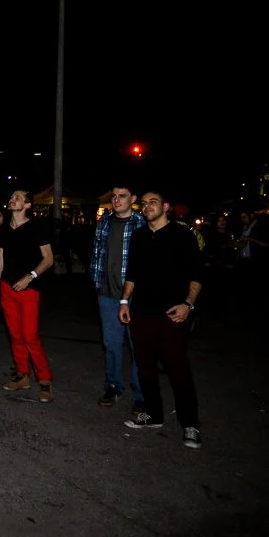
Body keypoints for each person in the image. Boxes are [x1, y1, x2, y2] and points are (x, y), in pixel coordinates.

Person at [119, 189, 205, 449]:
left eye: (153, 202)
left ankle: (190, 424)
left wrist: (188, 305)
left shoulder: (183, 235)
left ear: (166, 206)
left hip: (172, 314)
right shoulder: (139, 236)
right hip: (142, 312)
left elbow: (197, 274)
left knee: (178, 369)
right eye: (144, 203)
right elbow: (132, 273)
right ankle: (153, 415)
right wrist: (124, 302)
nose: (147, 206)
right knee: (145, 368)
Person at [0, 189, 56, 403]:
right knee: (15, 335)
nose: (12, 199)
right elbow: (0, 259)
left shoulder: (37, 227)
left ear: (27, 205)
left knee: (29, 336)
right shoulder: (4, 229)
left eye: (18, 197)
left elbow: (48, 259)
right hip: (7, 288)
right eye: (11, 196)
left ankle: (45, 380)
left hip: (29, 289)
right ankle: (22, 376)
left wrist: (30, 277)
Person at [90, 185, 147, 411]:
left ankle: (141, 394)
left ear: (133, 198)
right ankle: (113, 386)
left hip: (135, 296)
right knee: (111, 344)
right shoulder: (104, 222)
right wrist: (96, 282)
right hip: (107, 293)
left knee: (138, 346)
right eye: (113, 196)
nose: (116, 200)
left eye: (121, 196)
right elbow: (97, 253)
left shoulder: (142, 222)